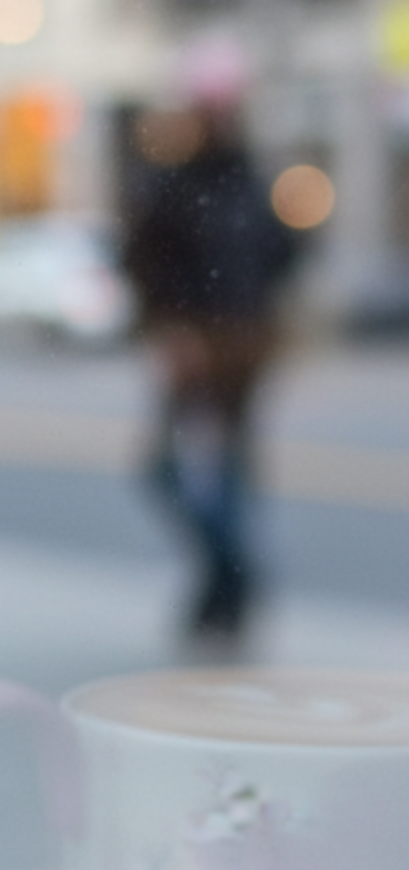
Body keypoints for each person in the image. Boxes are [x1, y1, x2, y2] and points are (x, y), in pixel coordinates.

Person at [121, 64, 297, 643]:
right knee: (181, 470)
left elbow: (282, 255)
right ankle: (230, 576)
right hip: (211, 342)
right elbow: (145, 262)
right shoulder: (188, 185)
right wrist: (175, 328)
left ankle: (229, 581)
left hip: (235, 345)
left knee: (207, 469)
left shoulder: (237, 183)